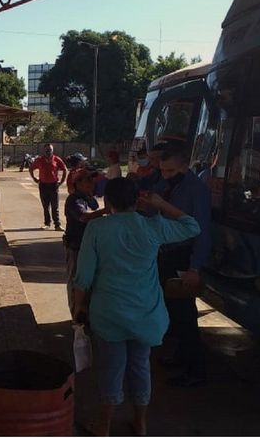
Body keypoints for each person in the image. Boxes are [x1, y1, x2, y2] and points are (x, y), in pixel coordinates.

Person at [73, 177, 200, 436]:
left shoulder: (97, 229)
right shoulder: (153, 226)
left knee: (111, 367)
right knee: (141, 365)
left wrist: (78, 307)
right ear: (137, 200)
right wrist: (162, 204)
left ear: (107, 202)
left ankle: (104, 426)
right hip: (147, 313)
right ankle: (140, 424)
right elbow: (192, 226)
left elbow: (83, 276)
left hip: (109, 313)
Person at [156, 141, 212, 387]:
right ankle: (181, 357)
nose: (165, 176)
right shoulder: (168, 185)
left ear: (184, 167)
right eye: (163, 171)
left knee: (185, 315)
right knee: (173, 312)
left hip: (183, 255)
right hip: (166, 253)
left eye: (170, 171)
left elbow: (202, 230)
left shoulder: (196, 189)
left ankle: (196, 369)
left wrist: (194, 267)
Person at [63, 170, 107, 318]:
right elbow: (84, 217)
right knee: (76, 281)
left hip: (88, 246)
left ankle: (85, 313)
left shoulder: (88, 198)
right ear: (78, 184)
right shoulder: (73, 200)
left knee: (88, 282)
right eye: (88, 180)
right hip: (76, 246)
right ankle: (76, 316)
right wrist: (107, 210)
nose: (92, 183)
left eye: (92, 179)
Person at [29, 143, 68, 231]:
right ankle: (47, 223)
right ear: (44, 150)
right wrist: (34, 178)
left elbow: (65, 169)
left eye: (50, 150)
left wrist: (61, 181)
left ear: (52, 150)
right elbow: (31, 168)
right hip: (43, 185)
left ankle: (57, 225)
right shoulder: (39, 160)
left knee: (55, 206)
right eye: (46, 150)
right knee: (45, 206)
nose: (48, 152)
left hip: (53, 185)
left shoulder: (57, 159)